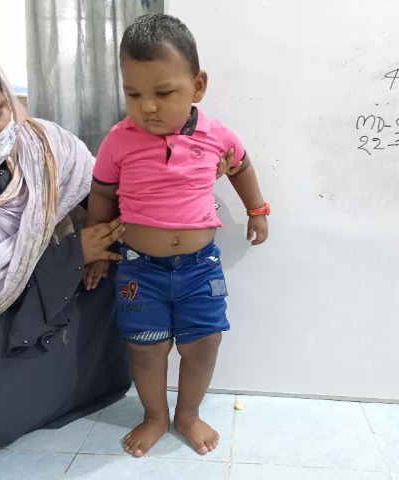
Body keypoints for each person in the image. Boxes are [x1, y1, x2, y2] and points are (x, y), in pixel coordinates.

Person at [0, 10, 139, 470]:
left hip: (64, 289)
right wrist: (73, 255)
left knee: (133, 282)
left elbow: (109, 199)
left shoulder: (44, 146)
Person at [84, 14, 270, 458]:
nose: (147, 107)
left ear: (197, 86)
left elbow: (241, 166)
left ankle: (188, 413)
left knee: (204, 343)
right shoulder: (118, 140)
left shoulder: (215, 136)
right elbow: (102, 193)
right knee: (146, 349)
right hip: (139, 270)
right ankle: (154, 415)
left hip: (200, 267)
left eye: (163, 93)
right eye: (134, 93)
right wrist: (97, 249)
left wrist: (257, 209)